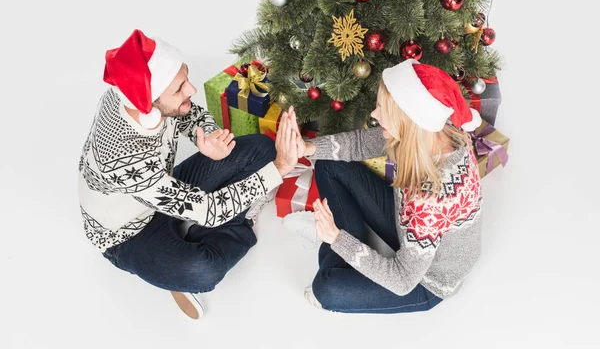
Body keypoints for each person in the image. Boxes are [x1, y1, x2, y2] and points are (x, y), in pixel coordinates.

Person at [77, 29, 300, 319]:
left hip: (163, 189)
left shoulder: (135, 96)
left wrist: (205, 140)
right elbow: (208, 211)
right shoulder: (120, 158)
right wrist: (280, 169)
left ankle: (193, 233)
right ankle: (219, 235)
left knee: (261, 149)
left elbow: (190, 113)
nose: (192, 90)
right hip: (127, 235)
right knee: (203, 271)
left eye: (185, 79)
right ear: (150, 102)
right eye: (180, 87)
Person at [296, 59, 483, 314]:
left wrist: (336, 238)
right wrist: (309, 147)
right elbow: (367, 142)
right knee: (327, 163)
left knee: (326, 288)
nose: (374, 114)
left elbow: (402, 280)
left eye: (381, 109)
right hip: (413, 233)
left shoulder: (428, 199)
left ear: (406, 120)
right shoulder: (435, 131)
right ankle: (341, 240)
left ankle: (333, 240)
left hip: (425, 280)